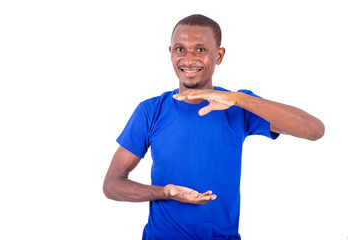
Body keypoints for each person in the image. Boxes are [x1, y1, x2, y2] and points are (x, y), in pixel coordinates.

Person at [103, 14, 325, 240]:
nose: (188, 60)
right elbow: (112, 184)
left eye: (200, 50)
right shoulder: (150, 110)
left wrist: (239, 99)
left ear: (218, 56)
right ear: (170, 52)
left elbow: (314, 130)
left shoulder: (237, 105)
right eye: (180, 49)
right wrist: (164, 192)